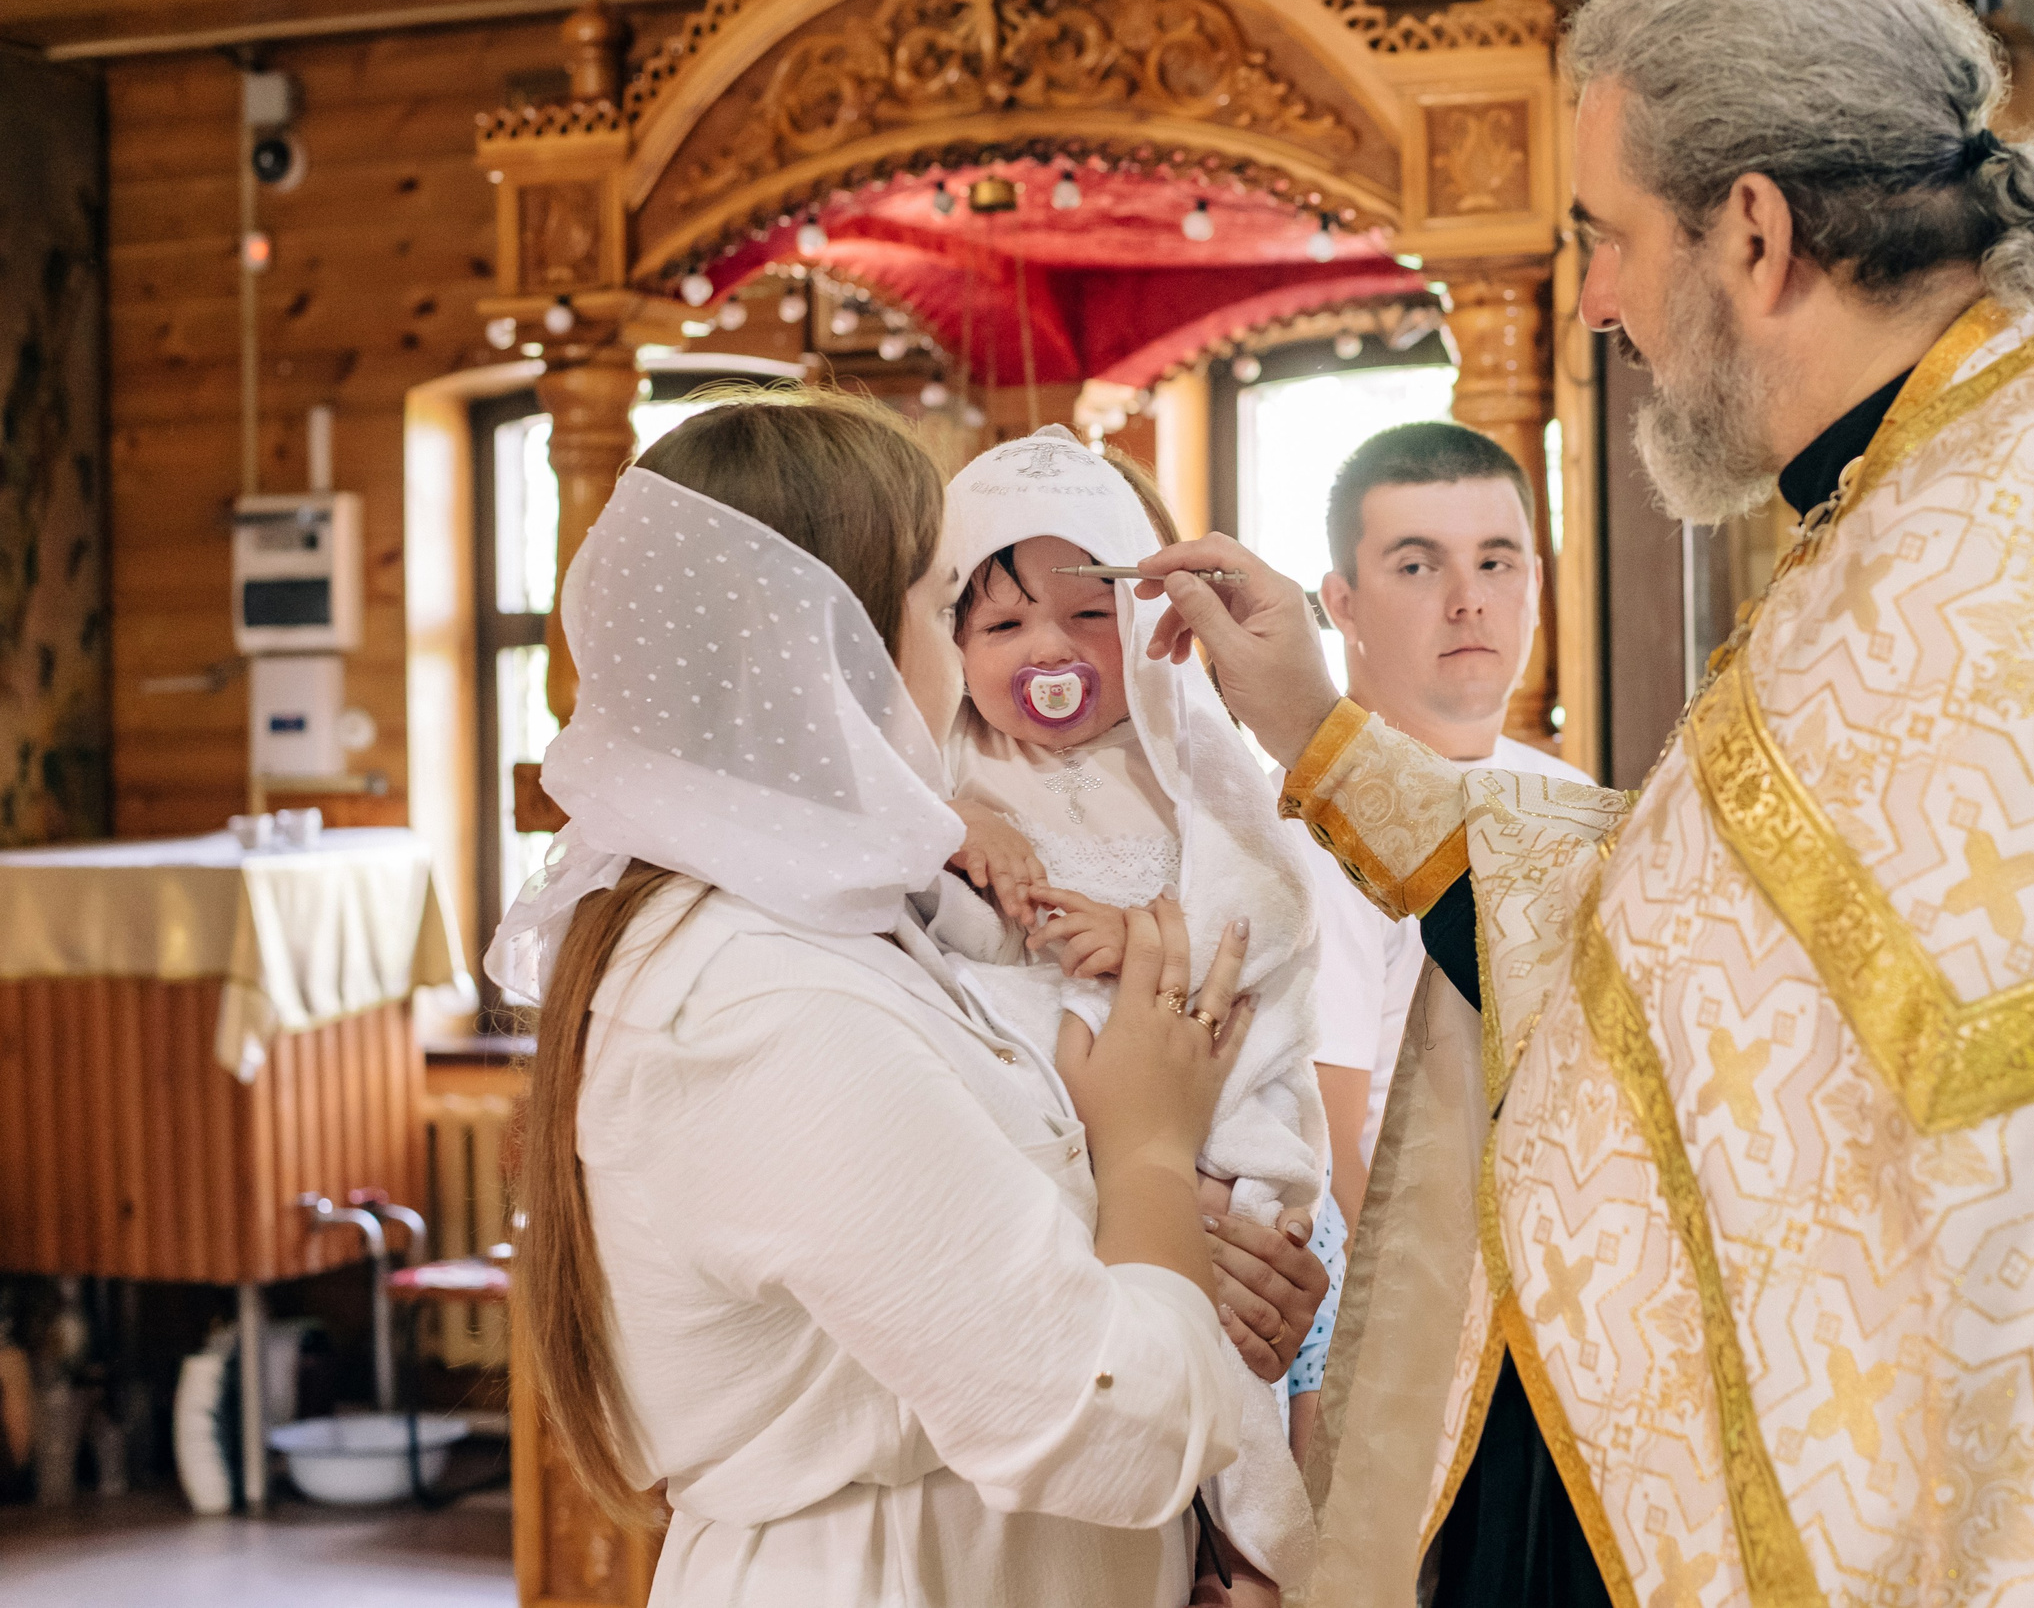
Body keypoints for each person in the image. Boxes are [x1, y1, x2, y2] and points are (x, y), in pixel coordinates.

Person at [1138, 0, 2034, 1606]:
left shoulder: (2002, 582)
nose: (1598, 300)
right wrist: (1316, 728)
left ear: (1753, 229)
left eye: (1607, 237)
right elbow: (1679, 954)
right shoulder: (1920, 520)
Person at [491, 392, 1329, 1608]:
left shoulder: (847, 920)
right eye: (947, 609)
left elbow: (971, 1233)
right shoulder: (760, 997)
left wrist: (1217, 1269)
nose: (970, 656)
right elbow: (1112, 1424)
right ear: (835, 652)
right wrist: (1149, 1148)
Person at [930, 425, 1332, 1589]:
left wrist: (1145, 939)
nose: (1049, 650)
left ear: (1149, 630)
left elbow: (1270, 901)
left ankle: (1252, 1545)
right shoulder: (951, 777)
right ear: (950, 640)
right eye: (1004, 625)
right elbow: (945, 945)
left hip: (1204, 1109)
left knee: (1232, 1360)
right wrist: (957, 827)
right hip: (1043, 1140)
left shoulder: (1188, 763)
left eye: (1087, 615)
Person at [1292, 422, 1591, 1231]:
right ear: (1342, 602)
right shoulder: (1315, 833)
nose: (1468, 599)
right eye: (1419, 566)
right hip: (1429, 1283)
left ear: (1535, 581)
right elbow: (1326, 1153)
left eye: (1494, 561)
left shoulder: (1573, 794)